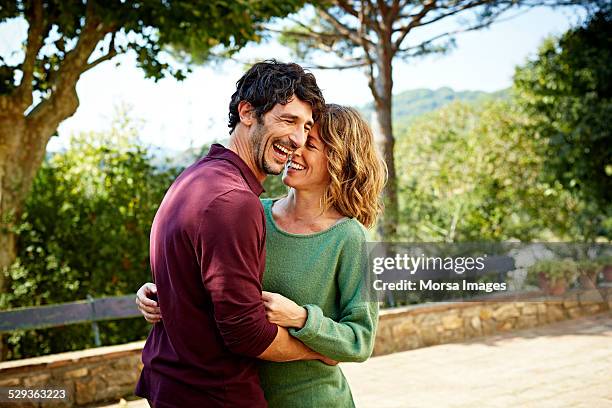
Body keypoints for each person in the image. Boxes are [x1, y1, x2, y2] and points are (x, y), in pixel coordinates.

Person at [137, 104, 387, 407]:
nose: (294, 148)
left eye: (310, 144)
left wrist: (301, 317)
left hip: (312, 400)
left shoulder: (351, 238)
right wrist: (163, 293)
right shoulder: (253, 212)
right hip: (239, 396)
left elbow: (361, 339)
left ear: (338, 160)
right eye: (296, 138)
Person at [133, 60, 327, 408]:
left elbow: (188, 278)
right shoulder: (233, 201)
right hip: (214, 394)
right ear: (248, 112)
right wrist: (317, 349)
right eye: (288, 120)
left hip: (175, 383)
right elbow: (245, 332)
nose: (298, 140)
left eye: (306, 126)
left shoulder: (195, 178)